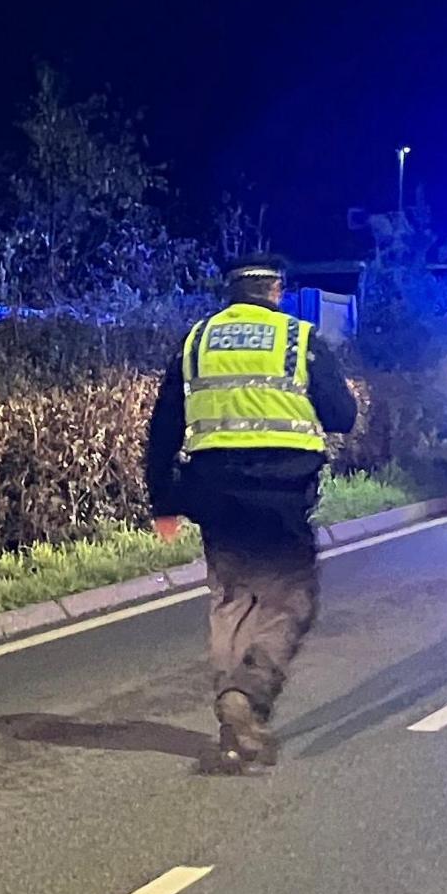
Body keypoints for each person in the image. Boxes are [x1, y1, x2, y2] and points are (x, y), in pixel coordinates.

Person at [144, 253, 358, 772]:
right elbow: (342, 416)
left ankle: (230, 717)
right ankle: (248, 694)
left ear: (230, 291)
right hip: (282, 495)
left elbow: (163, 426)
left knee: (231, 600)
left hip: (214, 495)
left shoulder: (196, 341)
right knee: (288, 602)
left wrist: (164, 503)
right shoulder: (299, 340)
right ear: (276, 290)